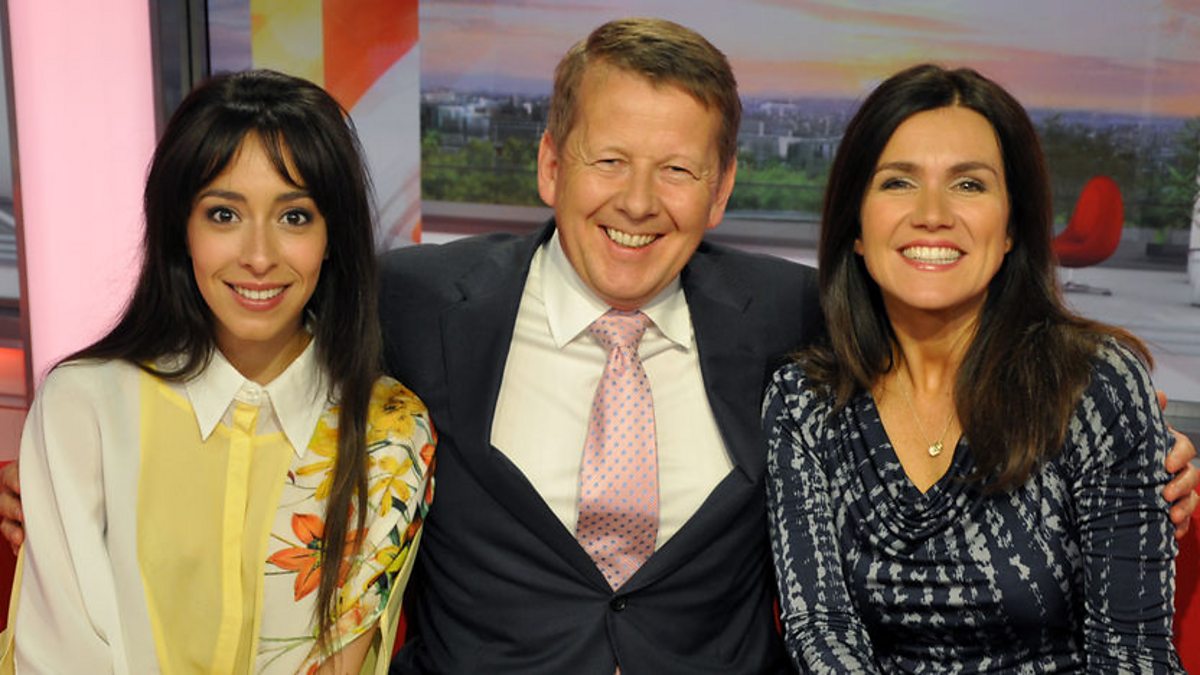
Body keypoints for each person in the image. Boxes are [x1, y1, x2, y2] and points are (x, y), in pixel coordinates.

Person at [0, 18, 1196, 675]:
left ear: (721, 190)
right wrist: (75, 465)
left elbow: (962, 361)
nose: (637, 200)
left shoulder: (795, 321)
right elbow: (252, 324)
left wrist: (1148, 459)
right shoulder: (416, 302)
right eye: (608, 159)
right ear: (549, 165)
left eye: (676, 169)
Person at [1, 70, 435, 674]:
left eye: (295, 217)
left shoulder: (389, 432)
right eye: (224, 215)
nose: (258, 257)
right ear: (181, 227)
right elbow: (60, 657)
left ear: (332, 235)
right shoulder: (86, 406)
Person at [764, 63, 1185, 671]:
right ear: (856, 226)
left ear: (1011, 227)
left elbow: (1132, 654)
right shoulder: (804, 399)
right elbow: (820, 633)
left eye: (968, 184)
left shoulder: (1094, 386)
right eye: (898, 182)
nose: (932, 213)